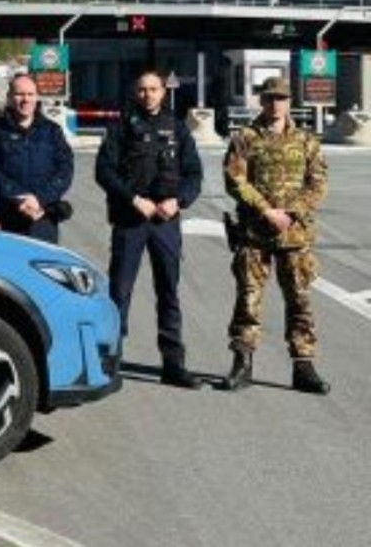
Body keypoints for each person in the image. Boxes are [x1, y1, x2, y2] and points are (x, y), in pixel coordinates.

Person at [220, 76, 330, 394]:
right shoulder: (246, 137)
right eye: (269, 98)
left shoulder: (307, 140)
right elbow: (234, 180)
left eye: (280, 98)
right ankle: (242, 364)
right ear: (262, 101)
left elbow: (318, 183)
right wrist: (267, 211)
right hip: (255, 233)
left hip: (295, 236)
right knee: (248, 300)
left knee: (299, 301)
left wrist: (291, 213)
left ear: (289, 101)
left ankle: (304, 366)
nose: (275, 104)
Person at [95, 70, 203, 389]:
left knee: (168, 292)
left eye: (153, 89)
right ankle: (110, 361)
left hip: (165, 222)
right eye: (142, 90)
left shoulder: (179, 128)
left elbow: (194, 173)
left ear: (163, 92)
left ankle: (173, 364)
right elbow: (104, 170)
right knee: (120, 293)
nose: (148, 95)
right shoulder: (121, 127)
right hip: (132, 220)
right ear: (135, 93)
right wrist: (132, 199)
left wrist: (179, 201)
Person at [0, 73, 73, 243]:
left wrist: (39, 199)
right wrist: (19, 196)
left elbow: (65, 169)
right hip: (6, 216)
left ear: (37, 97)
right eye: (19, 94)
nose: (25, 99)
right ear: (9, 97)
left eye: (30, 94)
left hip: (42, 217)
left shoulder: (52, 131)